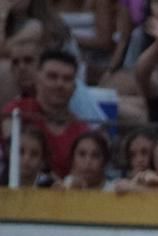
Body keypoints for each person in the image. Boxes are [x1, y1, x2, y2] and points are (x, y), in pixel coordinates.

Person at [2, 49, 91, 178]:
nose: (59, 84)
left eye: (67, 79)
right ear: (37, 79)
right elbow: (11, 155)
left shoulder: (82, 130)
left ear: (74, 87)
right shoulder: (17, 111)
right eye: (52, 76)